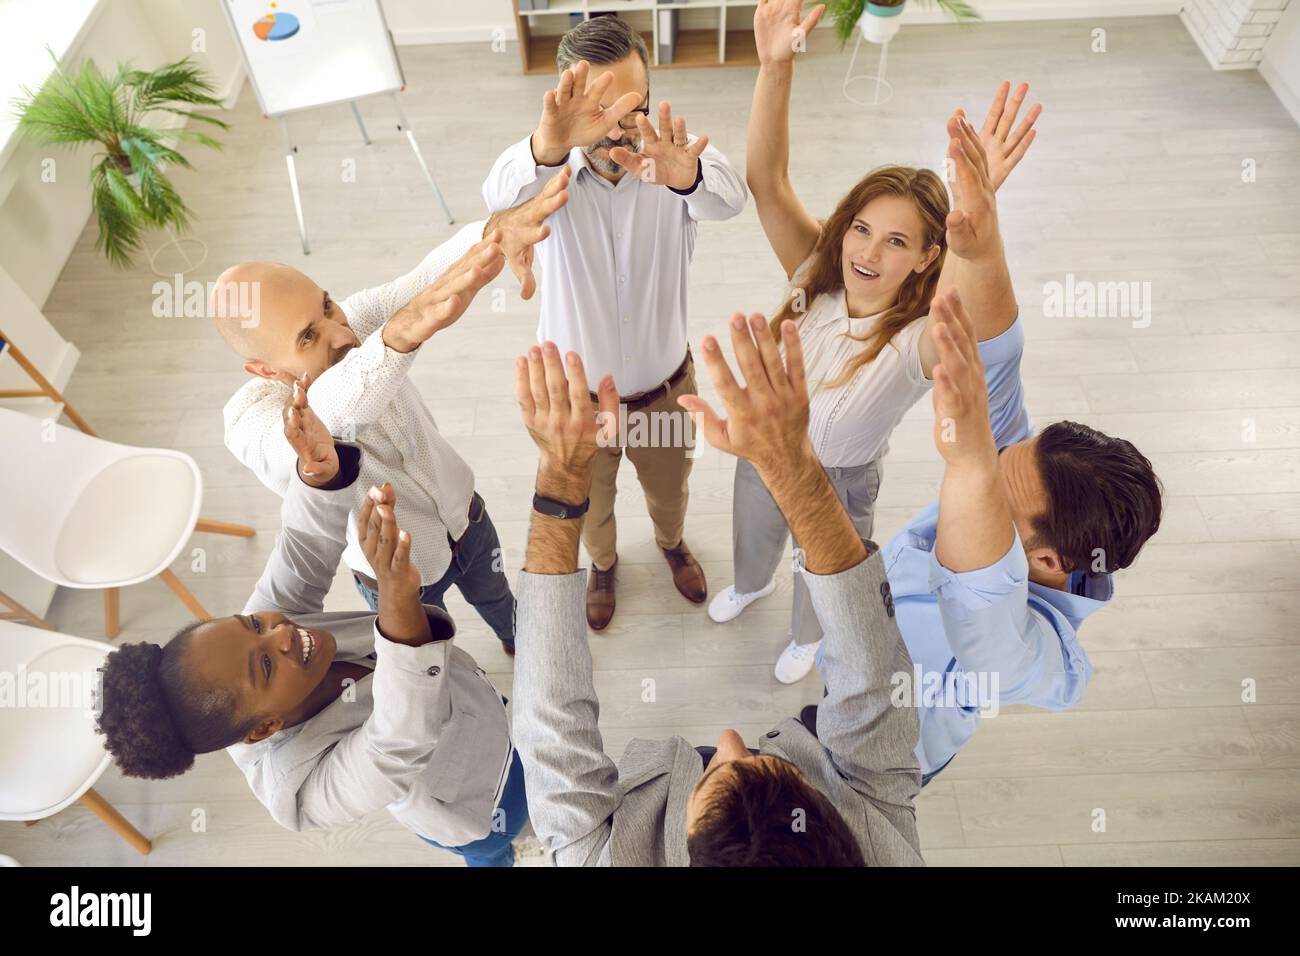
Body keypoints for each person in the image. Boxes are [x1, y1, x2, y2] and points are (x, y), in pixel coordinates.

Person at [507, 319, 923, 866]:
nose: (728, 738)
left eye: (715, 775)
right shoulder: (886, 849)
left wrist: (561, 476)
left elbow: (549, 725)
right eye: (779, 766)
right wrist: (792, 467)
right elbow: (872, 681)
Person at [710, 0, 1043, 683]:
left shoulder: (916, 341)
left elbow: (962, 304)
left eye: (898, 242)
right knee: (755, 534)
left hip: (840, 481)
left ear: (927, 257)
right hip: (765, 447)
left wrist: (977, 219)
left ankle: (808, 633)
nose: (870, 251)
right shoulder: (814, 278)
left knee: (823, 566)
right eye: (863, 228)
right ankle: (750, 582)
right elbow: (767, 182)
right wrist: (774, 67)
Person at [94, 377, 528, 866]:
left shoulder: (267, 629)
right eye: (264, 666)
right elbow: (397, 745)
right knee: (497, 845)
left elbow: (301, 552)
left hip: (485, 711)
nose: (280, 633)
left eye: (252, 624)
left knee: (520, 735)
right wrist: (397, 603)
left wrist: (320, 473)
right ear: (264, 729)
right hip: (474, 799)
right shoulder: (296, 790)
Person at [798, 286, 1163, 786]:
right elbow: (997, 357)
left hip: (876, 764)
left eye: (991, 493)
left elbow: (983, 609)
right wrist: (977, 229)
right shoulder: (1014, 476)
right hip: (843, 675)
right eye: (991, 463)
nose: (979, 477)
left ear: (1049, 562)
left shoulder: (1040, 661)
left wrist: (970, 464)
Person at [214, 170, 571, 656]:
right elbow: (312, 430)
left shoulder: (355, 320)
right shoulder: (249, 420)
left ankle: (515, 638)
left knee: (499, 601)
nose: (340, 335)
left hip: (466, 518)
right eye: (307, 337)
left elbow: (423, 280)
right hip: (400, 576)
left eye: (327, 308)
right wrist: (397, 337)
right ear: (262, 368)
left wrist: (493, 233)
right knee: (433, 659)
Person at [482, 15, 749, 631]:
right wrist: (546, 148)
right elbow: (496, 192)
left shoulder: (673, 163)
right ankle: (603, 564)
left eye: (637, 105)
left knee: (669, 491)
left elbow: (731, 199)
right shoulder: (542, 174)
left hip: (665, 391)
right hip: (580, 405)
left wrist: (686, 176)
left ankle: (670, 542)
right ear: (567, 106)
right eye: (602, 109)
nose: (622, 126)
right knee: (590, 507)